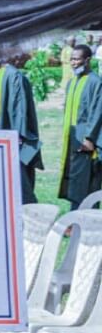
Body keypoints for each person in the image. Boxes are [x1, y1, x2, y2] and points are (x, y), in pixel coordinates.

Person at [0, 53, 42, 204]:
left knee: (19, 184)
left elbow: (20, 109)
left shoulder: (13, 76)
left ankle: (30, 215)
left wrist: (17, 136)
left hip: (11, 141)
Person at [58, 44, 102, 209]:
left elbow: (97, 112)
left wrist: (90, 138)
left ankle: (89, 221)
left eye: (77, 59)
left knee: (88, 181)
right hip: (73, 139)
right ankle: (75, 216)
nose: (73, 63)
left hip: (88, 141)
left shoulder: (95, 82)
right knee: (75, 179)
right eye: (72, 59)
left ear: (87, 60)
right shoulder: (72, 82)